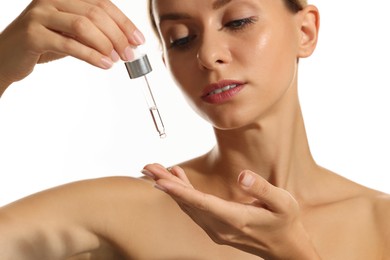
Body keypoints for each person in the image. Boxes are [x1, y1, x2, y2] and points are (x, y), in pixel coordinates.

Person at [0, 0, 389, 259]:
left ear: (305, 32)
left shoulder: (381, 223)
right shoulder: (122, 211)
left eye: (238, 21)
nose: (207, 55)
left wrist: (292, 252)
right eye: (180, 39)